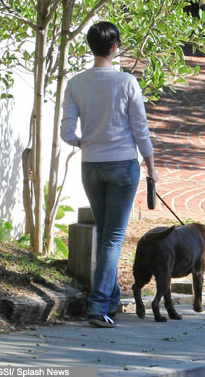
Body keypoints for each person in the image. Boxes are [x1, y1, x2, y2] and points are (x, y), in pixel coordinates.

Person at [60, 21, 159, 328]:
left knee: (105, 235)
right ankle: (99, 305)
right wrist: (152, 166)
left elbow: (66, 132)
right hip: (122, 166)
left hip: (91, 166)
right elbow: (140, 129)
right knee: (113, 237)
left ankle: (111, 300)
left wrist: (85, 142)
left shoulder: (76, 83)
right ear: (115, 47)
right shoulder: (126, 83)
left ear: (92, 47)